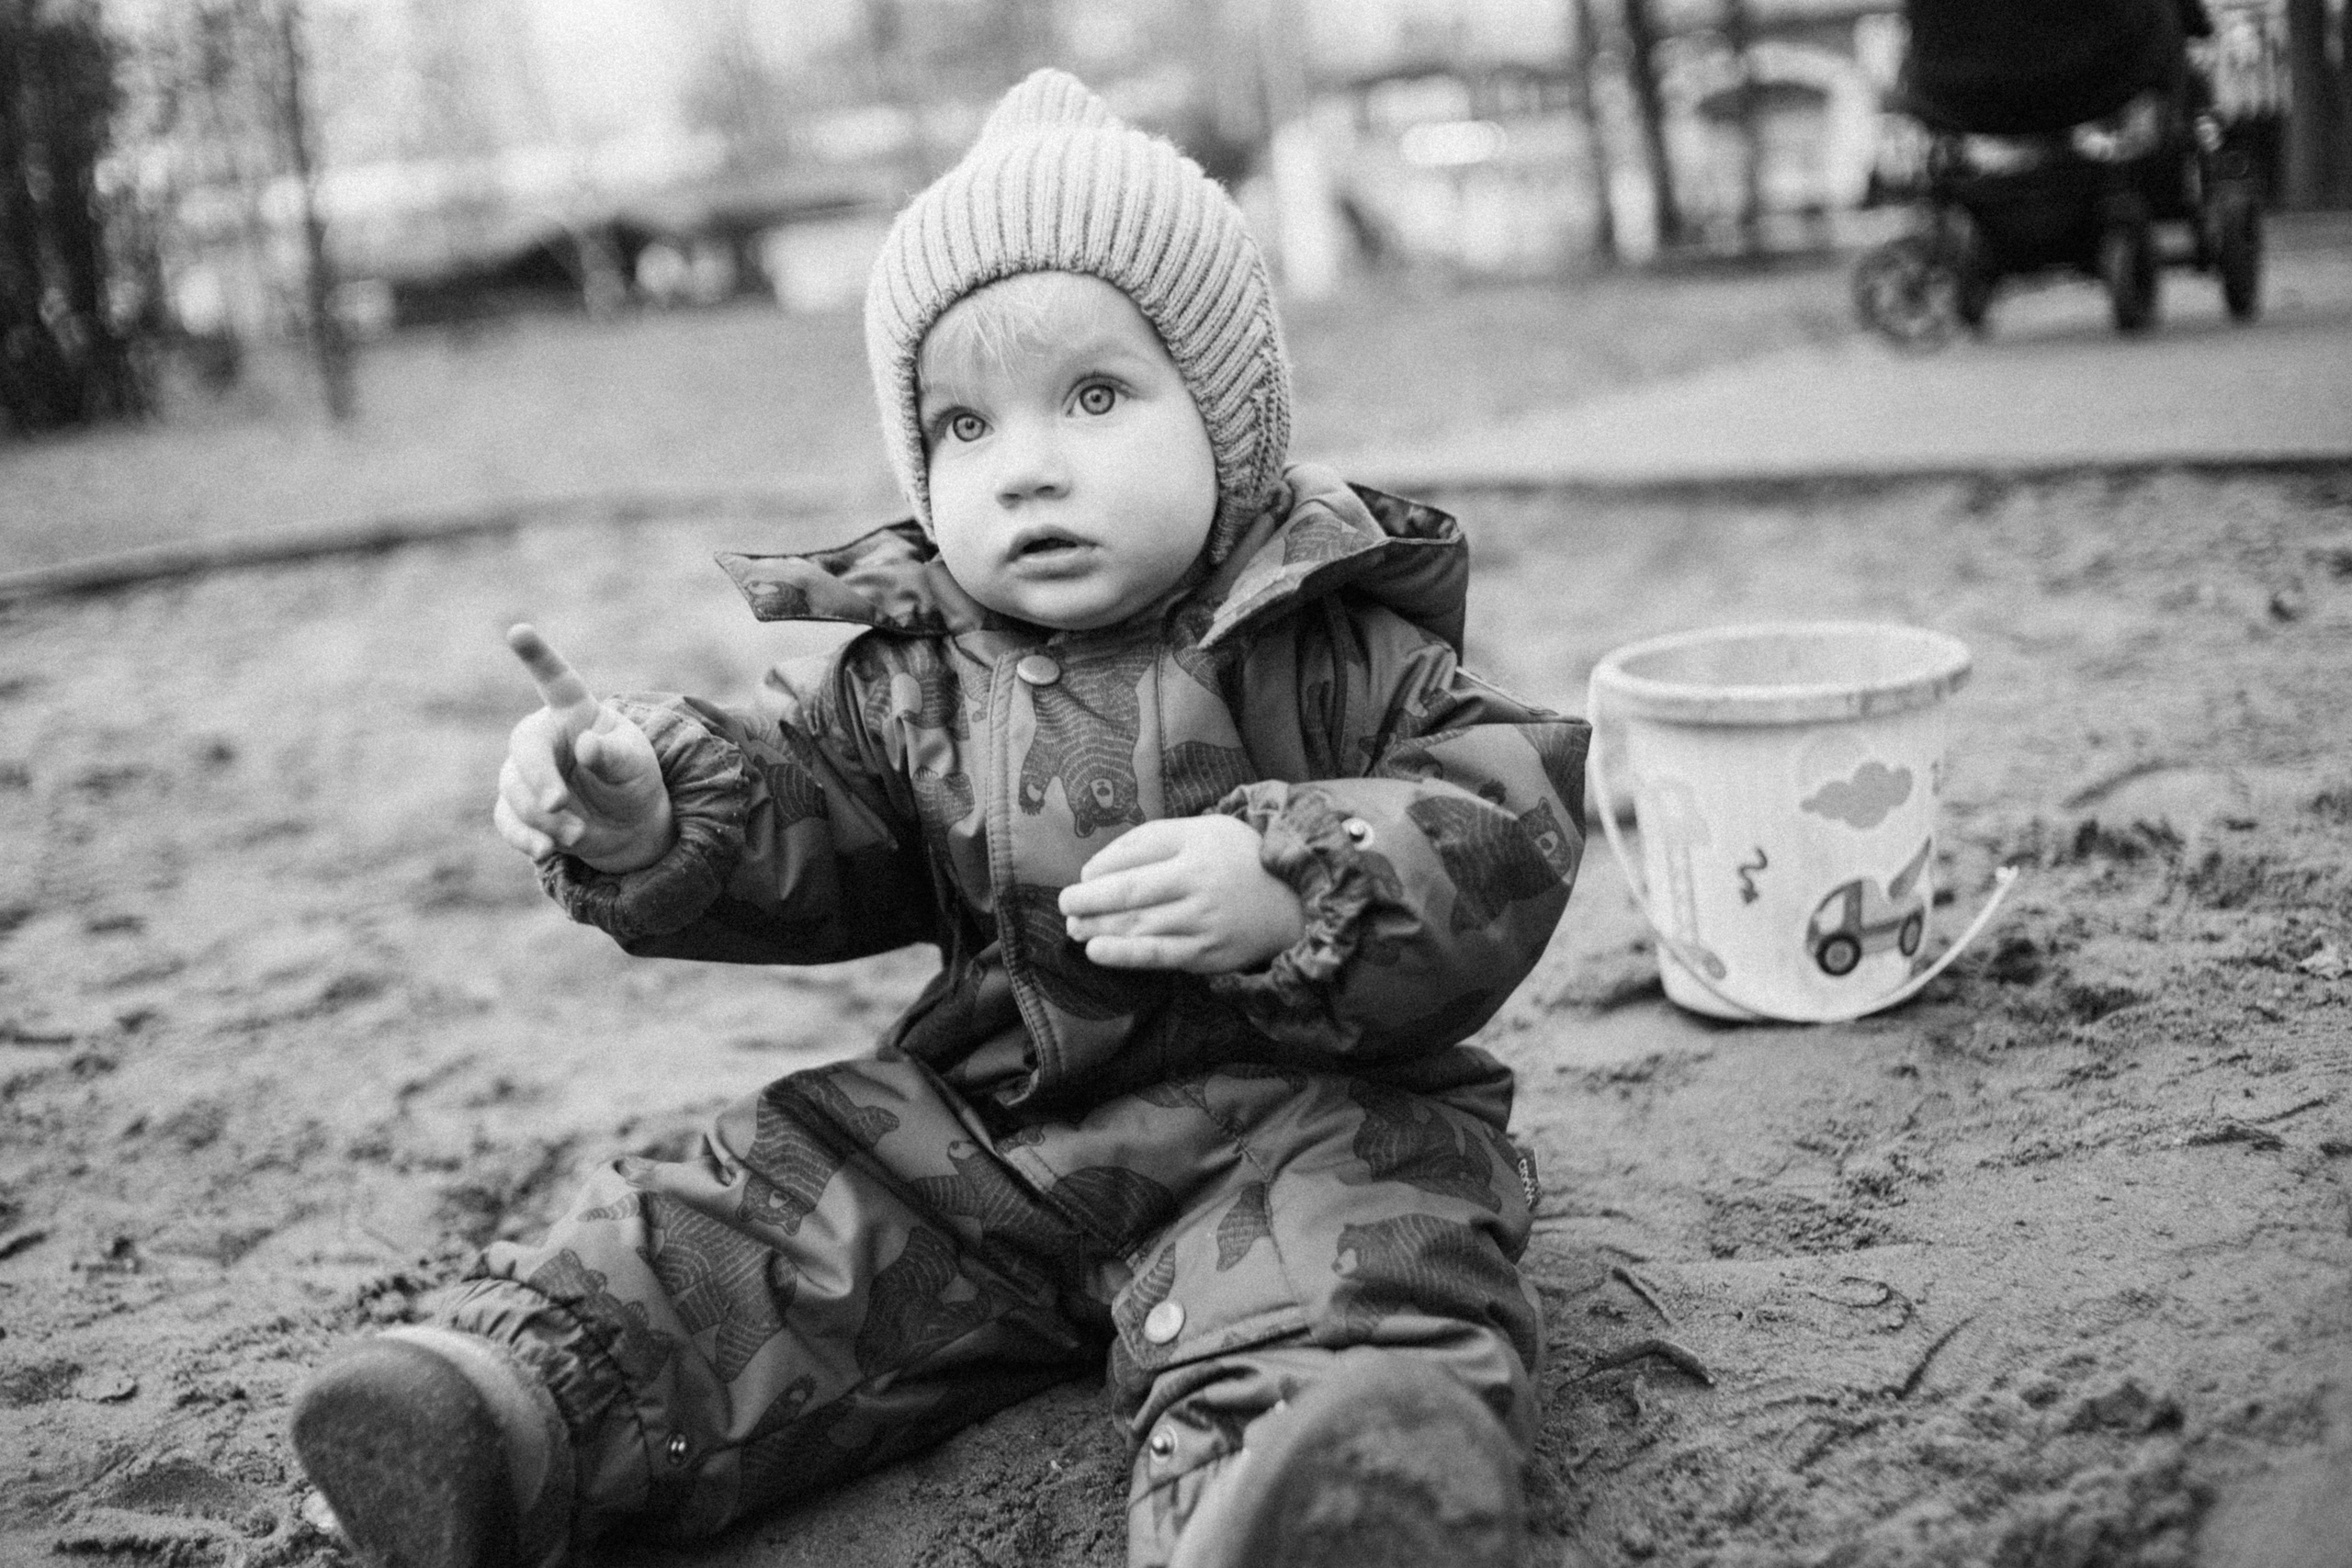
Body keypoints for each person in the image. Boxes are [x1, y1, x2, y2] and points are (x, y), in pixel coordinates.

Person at [289, 68, 1589, 1568]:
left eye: (1095, 397)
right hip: (991, 1132)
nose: (1026, 462)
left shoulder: (1337, 641)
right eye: (964, 425)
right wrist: (653, 818)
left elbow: (1502, 814)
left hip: (1304, 1126)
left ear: (1229, 425)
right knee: (777, 1202)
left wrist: (1299, 877)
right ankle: (517, 1417)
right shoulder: (907, 677)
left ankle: (1296, 1509)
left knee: (1359, 1283)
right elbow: (817, 822)